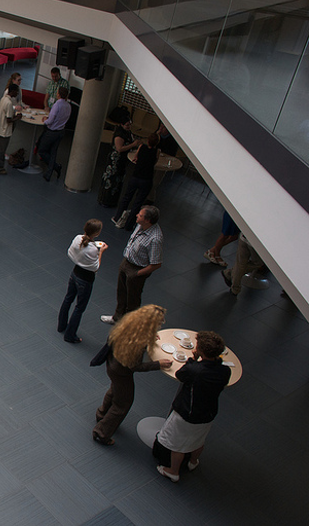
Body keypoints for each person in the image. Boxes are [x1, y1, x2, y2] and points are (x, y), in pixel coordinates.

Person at [155, 331, 231, 482]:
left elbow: (181, 375)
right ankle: (193, 461)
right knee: (198, 440)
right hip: (209, 413)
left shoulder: (195, 370)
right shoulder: (225, 371)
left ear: (201, 350)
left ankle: (173, 471)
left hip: (188, 413)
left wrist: (192, 360)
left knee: (177, 443)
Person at [93, 305, 172, 445]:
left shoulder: (128, 325)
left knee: (115, 390)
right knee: (122, 404)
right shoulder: (138, 342)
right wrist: (158, 364)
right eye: (159, 323)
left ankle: (102, 414)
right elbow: (135, 366)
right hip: (122, 373)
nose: (161, 324)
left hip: (111, 365)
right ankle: (102, 432)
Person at [101, 205, 163, 325]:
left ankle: (128, 325)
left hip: (137, 269)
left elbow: (156, 264)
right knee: (121, 292)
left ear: (147, 220)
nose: (136, 215)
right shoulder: (140, 225)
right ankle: (117, 317)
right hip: (127, 262)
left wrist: (137, 274)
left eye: (140, 215)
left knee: (133, 300)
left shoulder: (155, 239)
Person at [58, 219, 107, 343]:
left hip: (75, 273)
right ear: (97, 233)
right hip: (85, 279)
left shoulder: (78, 238)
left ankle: (61, 325)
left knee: (68, 299)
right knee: (79, 307)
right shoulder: (93, 249)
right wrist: (101, 252)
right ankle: (70, 335)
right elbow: (95, 267)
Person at [112, 132, 160, 230]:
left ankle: (117, 217)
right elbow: (155, 162)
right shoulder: (157, 152)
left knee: (127, 197)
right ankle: (129, 224)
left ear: (148, 140)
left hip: (136, 176)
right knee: (138, 203)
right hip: (146, 179)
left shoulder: (141, 147)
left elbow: (135, 158)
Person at [98, 116, 142, 207]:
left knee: (118, 182)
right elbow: (119, 148)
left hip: (122, 161)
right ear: (122, 124)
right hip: (115, 162)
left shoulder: (128, 132)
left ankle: (113, 200)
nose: (129, 127)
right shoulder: (119, 135)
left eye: (130, 125)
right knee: (111, 181)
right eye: (127, 125)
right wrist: (133, 145)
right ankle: (105, 200)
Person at [0, 73, 26, 154]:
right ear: (13, 80)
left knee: (6, 133)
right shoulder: (7, 92)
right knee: (4, 134)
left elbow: (19, 101)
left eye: (20, 80)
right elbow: (6, 104)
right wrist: (15, 108)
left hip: (15, 113)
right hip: (9, 114)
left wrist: (24, 105)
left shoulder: (19, 89)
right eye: (18, 80)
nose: (20, 82)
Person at [39, 86, 71, 182]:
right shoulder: (68, 106)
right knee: (53, 152)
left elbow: (50, 120)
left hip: (52, 132)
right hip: (61, 131)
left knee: (42, 150)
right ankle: (49, 174)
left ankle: (56, 166)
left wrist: (45, 121)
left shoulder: (57, 105)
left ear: (58, 94)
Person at [0, 83, 22, 175]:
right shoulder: (9, 103)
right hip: (5, 131)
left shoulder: (3, 99)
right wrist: (17, 118)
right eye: (16, 92)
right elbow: (9, 119)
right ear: (12, 91)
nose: (17, 94)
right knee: (1, 150)